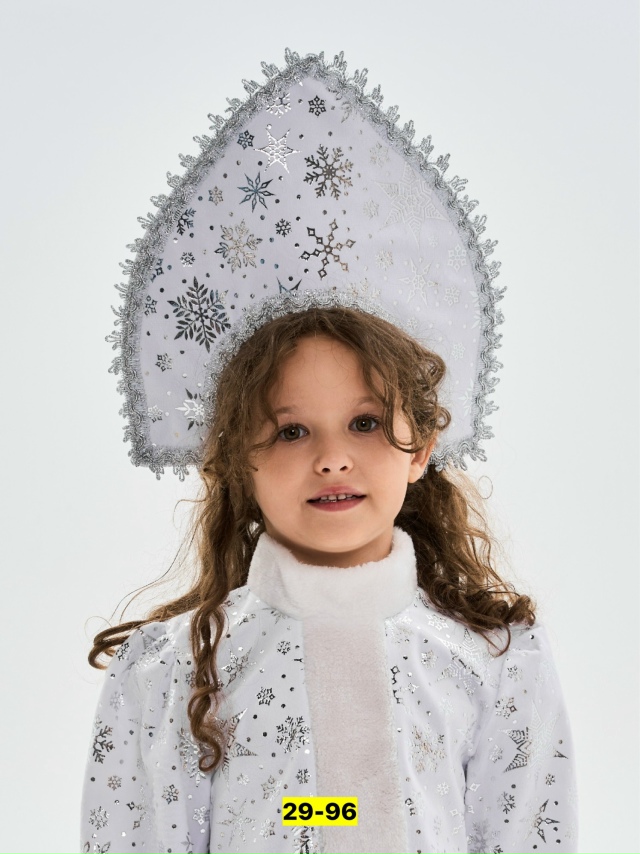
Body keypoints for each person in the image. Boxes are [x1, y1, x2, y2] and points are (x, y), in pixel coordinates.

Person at [82, 51, 578, 853]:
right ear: (233, 457)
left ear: (423, 446)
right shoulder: (172, 666)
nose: (333, 459)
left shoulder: (495, 653)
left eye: (366, 424)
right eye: (291, 430)